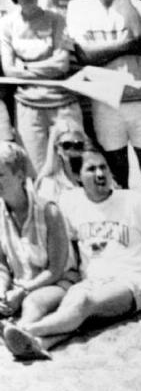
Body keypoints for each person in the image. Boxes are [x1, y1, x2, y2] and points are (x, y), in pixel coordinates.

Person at [2, 144, 141, 358]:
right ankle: (39, 343)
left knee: (83, 304)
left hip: (131, 282)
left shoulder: (133, 201)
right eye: (91, 169)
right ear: (77, 177)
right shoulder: (71, 203)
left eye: (103, 168)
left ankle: (27, 330)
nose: (100, 174)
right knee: (72, 307)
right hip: (91, 281)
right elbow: (46, 179)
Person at [65, 0, 141, 204]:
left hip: (140, 100)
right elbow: (84, 55)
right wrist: (124, 46)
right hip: (105, 103)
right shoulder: (78, 7)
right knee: (119, 174)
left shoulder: (133, 4)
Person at [0, 0, 74, 175]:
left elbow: (62, 64)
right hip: (28, 109)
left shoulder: (57, 18)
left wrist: (24, 68)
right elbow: (8, 70)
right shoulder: (6, 25)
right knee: (39, 174)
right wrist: (45, 66)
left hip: (63, 105)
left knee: (71, 171)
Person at [0, 138, 75, 336]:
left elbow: (55, 270)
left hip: (57, 283)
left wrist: (24, 291)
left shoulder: (48, 211)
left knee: (34, 302)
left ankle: (21, 333)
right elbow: (2, 266)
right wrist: (1, 290)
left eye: (0, 175)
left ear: (19, 175)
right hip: (18, 285)